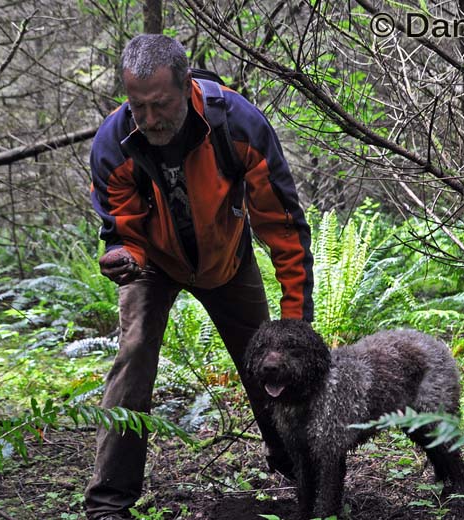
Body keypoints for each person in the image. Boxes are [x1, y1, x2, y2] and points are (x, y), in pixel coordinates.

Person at [85, 34, 314, 520]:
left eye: (160, 104)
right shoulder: (113, 143)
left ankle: (303, 470)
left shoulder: (238, 125)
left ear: (186, 85)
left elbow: (284, 229)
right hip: (150, 265)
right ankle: (108, 504)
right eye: (138, 106)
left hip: (227, 260)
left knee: (270, 360)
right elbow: (120, 229)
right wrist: (119, 253)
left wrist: (295, 325)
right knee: (135, 355)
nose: (149, 119)